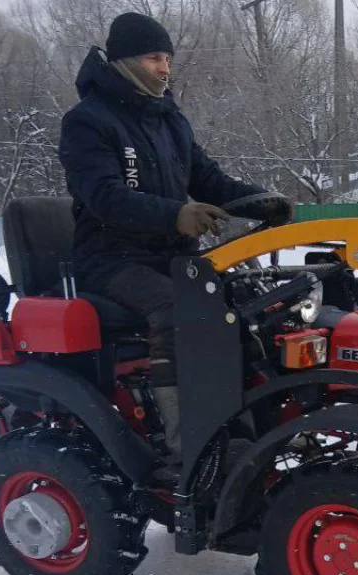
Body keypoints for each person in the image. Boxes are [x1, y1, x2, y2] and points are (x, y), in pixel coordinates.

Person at [58, 12, 275, 471]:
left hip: (171, 256)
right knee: (179, 310)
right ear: (124, 60)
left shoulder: (169, 119)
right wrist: (175, 215)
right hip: (111, 260)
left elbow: (207, 179)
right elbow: (104, 196)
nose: (164, 69)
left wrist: (260, 202)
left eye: (168, 60)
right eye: (155, 58)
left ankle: (248, 429)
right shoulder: (87, 122)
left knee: (250, 301)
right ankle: (188, 448)